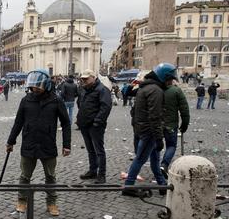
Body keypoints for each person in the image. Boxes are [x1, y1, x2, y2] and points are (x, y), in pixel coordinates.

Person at [6, 70, 71, 216]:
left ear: (46, 85)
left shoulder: (56, 100)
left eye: (38, 86)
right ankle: (22, 201)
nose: (35, 89)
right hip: (29, 143)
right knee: (24, 176)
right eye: (33, 86)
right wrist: (11, 141)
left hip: (48, 143)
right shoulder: (26, 100)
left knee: (50, 176)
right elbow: (18, 122)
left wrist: (66, 144)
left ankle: (52, 202)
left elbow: (66, 123)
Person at [122, 63, 176, 197]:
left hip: (143, 128)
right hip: (149, 131)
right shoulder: (156, 91)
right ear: (164, 77)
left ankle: (162, 183)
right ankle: (128, 185)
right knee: (140, 158)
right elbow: (155, 116)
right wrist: (158, 137)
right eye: (170, 79)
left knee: (154, 159)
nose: (171, 82)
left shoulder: (145, 87)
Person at [76, 69, 112, 184]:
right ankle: (93, 171)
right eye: (83, 79)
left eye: (86, 78)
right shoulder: (83, 89)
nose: (84, 80)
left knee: (99, 150)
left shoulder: (102, 90)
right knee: (90, 149)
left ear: (93, 77)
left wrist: (97, 121)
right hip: (84, 124)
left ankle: (102, 174)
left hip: (95, 125)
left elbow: (106, 107)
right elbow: (81, 104)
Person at [160, 74, 190, 175]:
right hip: (171, 125)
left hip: (157, 124)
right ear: (172, 80)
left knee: (155, 146)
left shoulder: (157, 90)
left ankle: (156, 167)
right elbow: (184, 109)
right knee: (171, 146)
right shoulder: (176, 91)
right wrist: (184, 124)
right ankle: (164, 165)